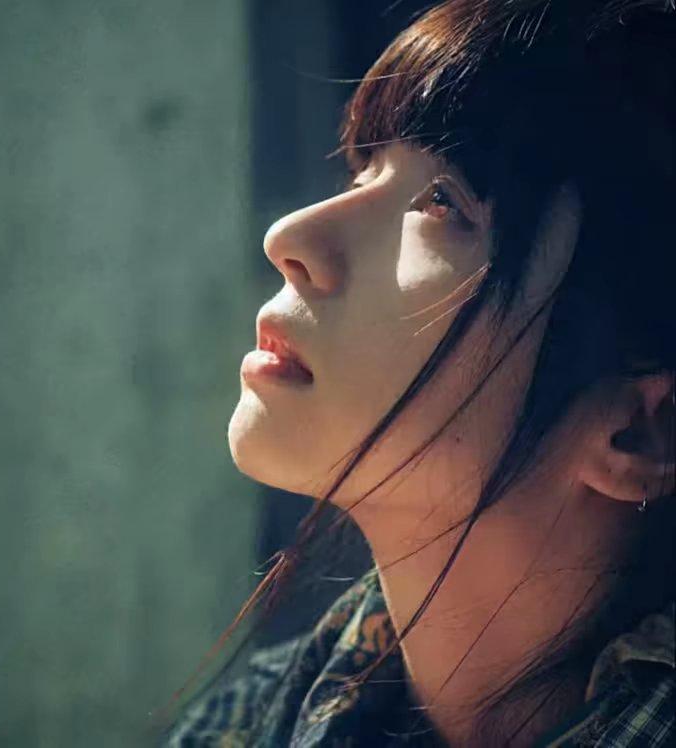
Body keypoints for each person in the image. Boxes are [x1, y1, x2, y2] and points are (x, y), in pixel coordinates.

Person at [163, 0, 675, 745]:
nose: (290, 237)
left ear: (640, 431)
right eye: (362, 172)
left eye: (443, 202)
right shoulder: (237, 727)